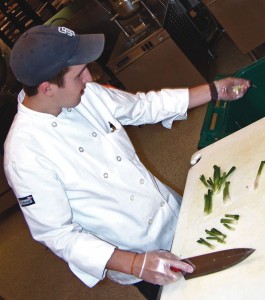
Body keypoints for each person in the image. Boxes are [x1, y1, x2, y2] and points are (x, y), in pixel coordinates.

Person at [4, 25, 251, 300]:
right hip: (141, 255)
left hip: (175, 215)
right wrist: (136, 264)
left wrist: (214, 91)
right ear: (47, 88)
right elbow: (58, 235)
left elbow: (143, 107)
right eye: (78, 74)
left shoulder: (86, 94)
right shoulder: (24, 154)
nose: (89, 77)